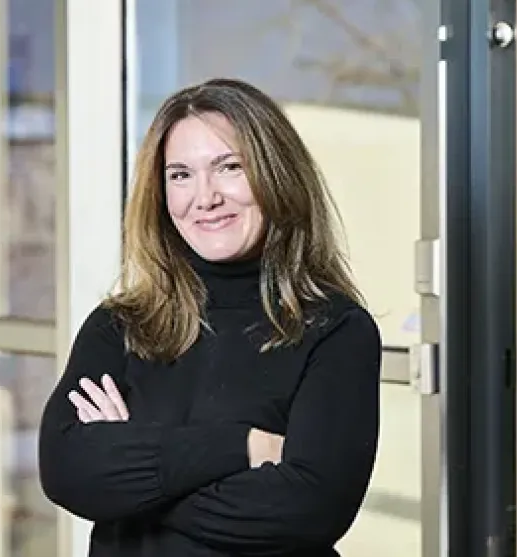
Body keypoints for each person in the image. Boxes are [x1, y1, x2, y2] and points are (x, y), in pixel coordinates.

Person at [37, 77, 383, 557]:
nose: (205, 198)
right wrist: (243, 448)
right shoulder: (120, 325)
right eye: (180, 175)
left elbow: (310, 509)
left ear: (276, 175)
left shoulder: (336, 330)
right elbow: (66, 470)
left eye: (229, 168)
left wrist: (132, 472)